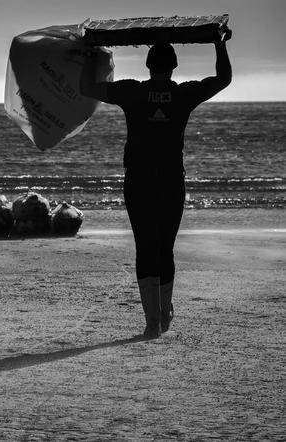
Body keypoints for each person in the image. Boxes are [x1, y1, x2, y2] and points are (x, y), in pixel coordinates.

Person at [80, 32, 232, 338]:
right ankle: (163, 313)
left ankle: (152, 320)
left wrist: (89, 54)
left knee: (145, 247)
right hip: (171, 181)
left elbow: (86, 87)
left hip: (138, 180)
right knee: (165, 248)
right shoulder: (184, 94)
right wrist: (219, 43)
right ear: (174, 66)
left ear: (147, 66)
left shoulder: (132, 92)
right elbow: (223, 79)